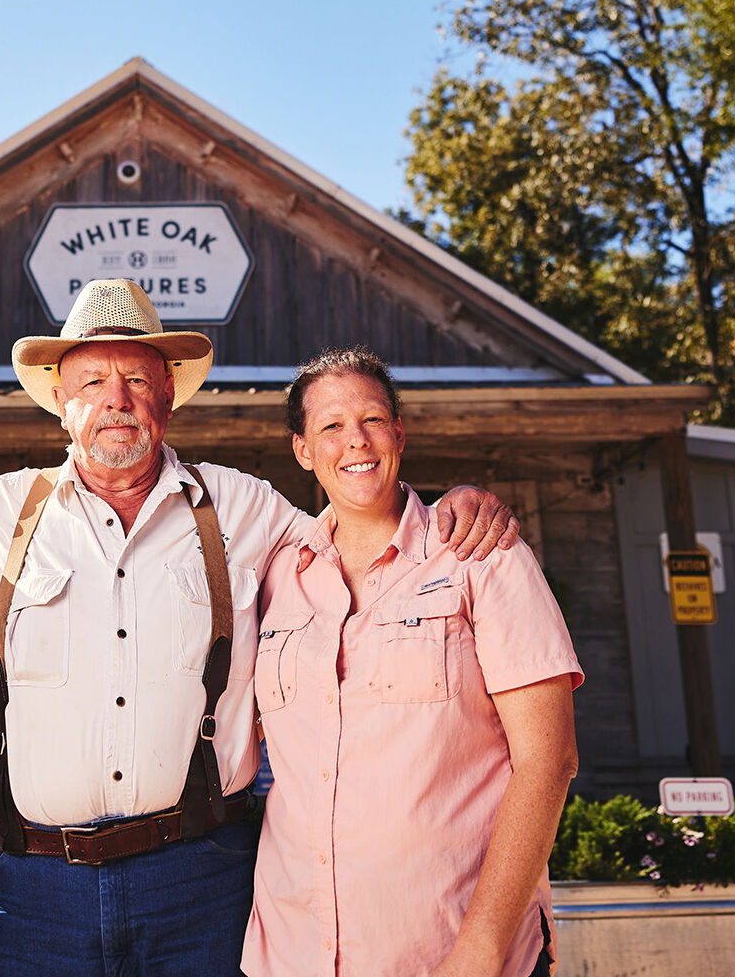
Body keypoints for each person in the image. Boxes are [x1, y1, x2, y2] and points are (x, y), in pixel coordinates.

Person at [0, 280, 520, 977]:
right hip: (26, 888)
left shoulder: (243, 508)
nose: (116, 401)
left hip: (202, 876)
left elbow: (359, 525)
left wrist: (449, 499)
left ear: (168, 395)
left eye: (136, 380)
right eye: (92, 382)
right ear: (61, 401)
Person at [244, 346, 581, 977]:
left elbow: (549, 760)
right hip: (291, 955)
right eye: (332, 427)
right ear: (302, 449)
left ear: (399, 432)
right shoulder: (273, 577)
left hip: (448, 951)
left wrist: (480, 949)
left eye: (372, 420)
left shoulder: (483, 556)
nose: (357, 443)